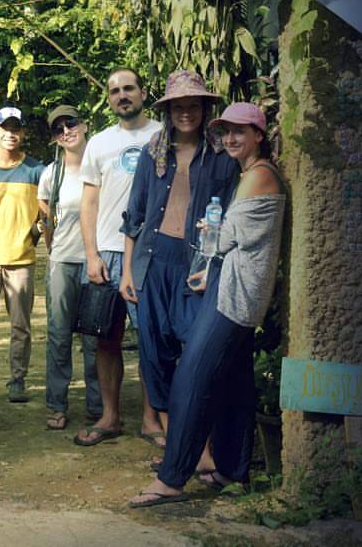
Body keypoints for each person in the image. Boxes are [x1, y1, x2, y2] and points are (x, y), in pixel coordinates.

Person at [130, 103, 286, 507]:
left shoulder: (260, 176)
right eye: (226, 131)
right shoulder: (248, 173)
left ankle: (172, 477)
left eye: (240, 132)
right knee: (235, 382)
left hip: (234, 295)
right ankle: (232, 470)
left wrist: (210, 233)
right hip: (232, 286)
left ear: (258, 136)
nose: (230, 139)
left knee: (191, 378)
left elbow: (224, 237)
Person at [120, 71, 237, 453]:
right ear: (168, 112)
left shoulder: (221, 156)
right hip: (153, 262)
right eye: (178, 107)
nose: (186, 113)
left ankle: (202, 448)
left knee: (196, 355)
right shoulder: (153, 151)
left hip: (198, 267)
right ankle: (177, 446)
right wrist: (127, 271)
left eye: (193, 106)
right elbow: (134, 215)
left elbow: (232, 216)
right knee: (155, 354)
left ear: (204, 109)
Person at [74, 70, 162, 447]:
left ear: (143, 92)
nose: (122, 96)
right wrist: (91, 254)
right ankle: (110, 416)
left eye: (128, 88)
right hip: (107, 252)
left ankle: (151, 419)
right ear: (108, 98)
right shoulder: (99, 143)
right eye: (114, 91)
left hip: (151, 252)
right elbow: (89, 203)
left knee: (151, 339)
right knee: (104, 339)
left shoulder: (163, 135)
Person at [0, 107, 44, 405]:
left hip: (21, 261)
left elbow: (47, 211)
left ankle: (17, 380)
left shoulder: (36, 170)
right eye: (5, 128)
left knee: (20, 327)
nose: (11, 134)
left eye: (16, 128)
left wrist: (37, 230)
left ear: (23, 132)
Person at [38, 105, 101, 431]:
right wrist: (53, 247)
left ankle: (98, 405)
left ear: (85, 125)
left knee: (95, 338)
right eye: (58, 129)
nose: (66, 131)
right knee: (59, 335)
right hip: (63, 260)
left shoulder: (102, 164)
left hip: (97, 261)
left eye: (71, 123)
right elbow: (45, 211)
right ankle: (57, 404)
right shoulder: (53, 173)